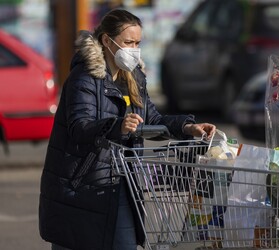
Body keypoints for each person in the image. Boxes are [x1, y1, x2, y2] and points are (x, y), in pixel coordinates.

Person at [38, 8, 216, 250]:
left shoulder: (134, 78)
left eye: (137, 43)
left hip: (121, 183)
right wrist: (117, 126)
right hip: (83, 187)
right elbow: (80, 128)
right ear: (107, 41)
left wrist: (188, 126)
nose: (133, 49)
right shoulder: (84, 79)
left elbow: (151, 118)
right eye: (128, 42)